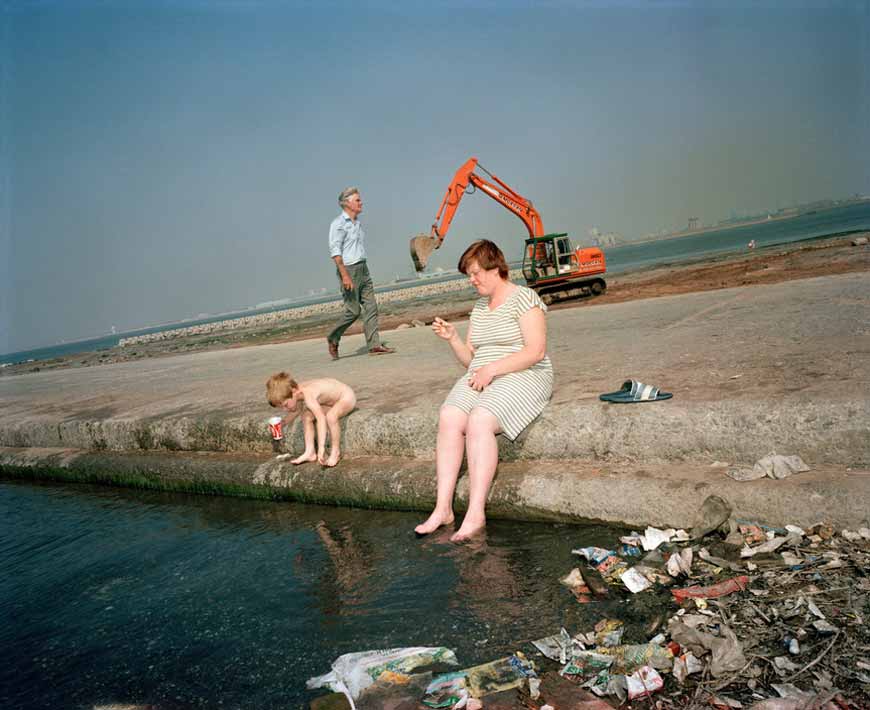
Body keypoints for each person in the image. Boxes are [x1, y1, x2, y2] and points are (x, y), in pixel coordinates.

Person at [414, 239, 553, 542]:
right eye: (468, 274)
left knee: (479, 419)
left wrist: (492, 369)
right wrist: (453, 338)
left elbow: (536, 351)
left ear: (495, 268)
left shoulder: (524, 298)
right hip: (484, 372)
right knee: (450, 415)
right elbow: (470, 360)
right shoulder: (479, 307)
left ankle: (476, 512)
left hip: (524, 372)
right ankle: (443, 509)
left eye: (475, 273)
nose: (471, 280)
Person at [326, 187, 394, 360]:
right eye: (357, 200)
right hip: (349, 270)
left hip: (363, 268)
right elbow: (335, 253)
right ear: (347, 204)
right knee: (353, 311)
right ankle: (333, 337)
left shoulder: (357, 223)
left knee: (371, 307)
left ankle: (374, 345)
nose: (361, 202)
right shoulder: (338, 224)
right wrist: (345, 276)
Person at [266, 371, 357, 467]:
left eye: (286, 405)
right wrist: (283, 423)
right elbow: (296, 410)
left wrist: (321, 448)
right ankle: (310, 452)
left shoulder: (308, 394)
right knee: (306, 415)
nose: (285, 409)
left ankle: (336, 452)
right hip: (332, 402)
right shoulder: (296, 392)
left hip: (346, 397)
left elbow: (321, 418)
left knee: (331, 416)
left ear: (293, 391)